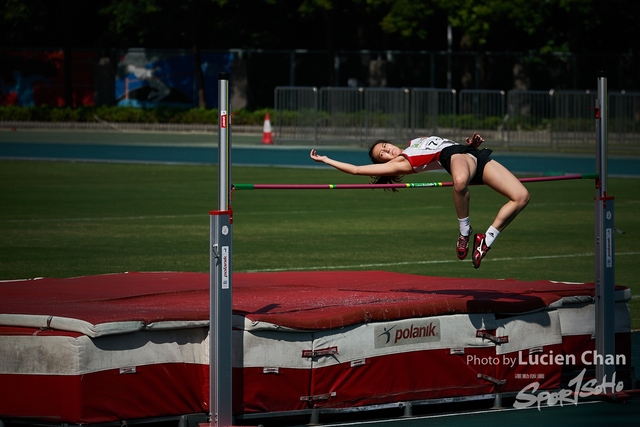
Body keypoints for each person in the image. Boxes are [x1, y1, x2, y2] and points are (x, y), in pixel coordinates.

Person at [309, 133, 530, 268]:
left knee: (521, 197)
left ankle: (486, 240)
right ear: (384, 163)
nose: (387, 150)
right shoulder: (401, 163)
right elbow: (357, 169)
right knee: (460, 182)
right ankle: (465, 232)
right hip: (454, 158)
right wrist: (327, 159)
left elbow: (451, 145)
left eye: (385, 146)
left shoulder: (414, 144)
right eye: (382, 154)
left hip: (473, 155)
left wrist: (471, 144)